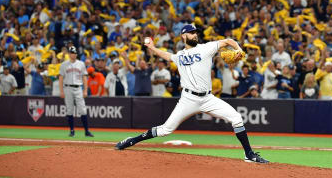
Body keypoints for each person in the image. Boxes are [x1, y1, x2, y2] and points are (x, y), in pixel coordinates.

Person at [115, 24, 269, 163]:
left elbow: (228, 41)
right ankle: (132, 140)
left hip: (208, 98)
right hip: (188, 99)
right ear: (184, 36)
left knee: (236, 118)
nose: (195, 35)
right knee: (165, 130)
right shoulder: (179, 55)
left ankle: (249, 154)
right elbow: (166, 55)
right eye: (191, 33)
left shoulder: (206, 48)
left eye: (196, 32)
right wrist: (152, 47)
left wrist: (239, 49)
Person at [59, 46, 93, 137]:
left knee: (82, 109)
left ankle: (86, 131)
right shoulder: (64, 64)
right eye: (71, 53)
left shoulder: (81, 64)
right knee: (69, 109)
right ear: (69, 54)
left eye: (74, 53)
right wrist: (61, 91)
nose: (73, 54)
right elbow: (61, 78)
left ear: (76, 54)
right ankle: (72, 131)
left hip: (78, 88)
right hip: (68, 88)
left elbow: (84, 77)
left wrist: (85, 90)